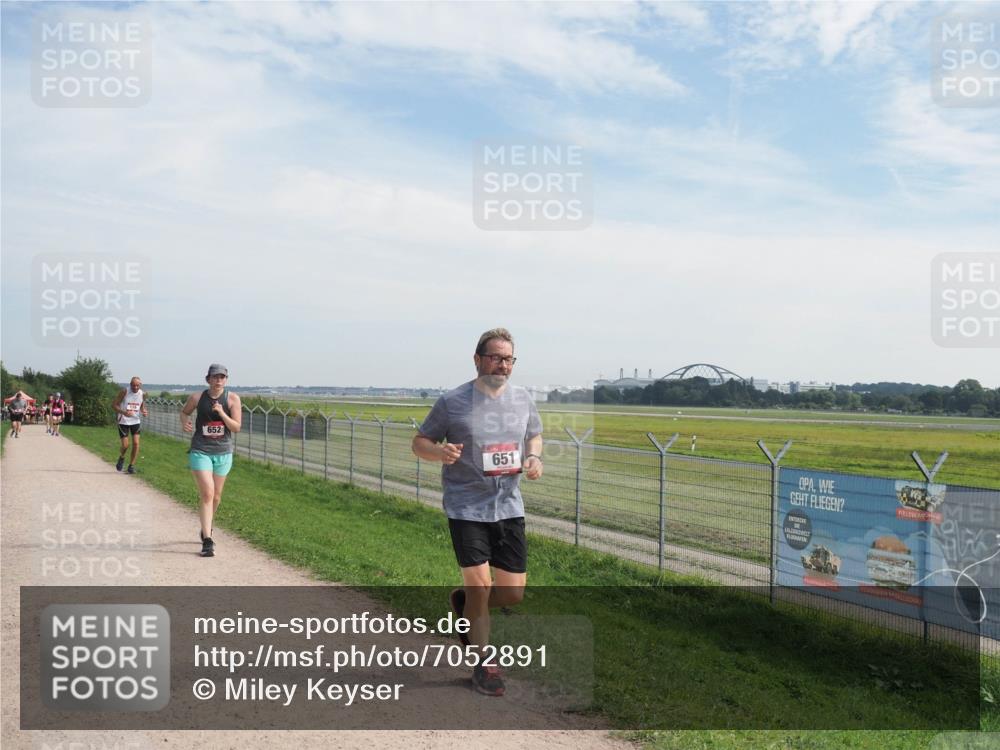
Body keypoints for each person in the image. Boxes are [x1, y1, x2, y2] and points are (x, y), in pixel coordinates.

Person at [411, 328, 543, 697]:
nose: (502, 365)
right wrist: (440, 453)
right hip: (466, 506)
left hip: (508, 505)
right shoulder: (452, 401)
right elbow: (420, 442)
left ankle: (463, 603)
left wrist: (533, 456)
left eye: (508, 359)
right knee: (481, 586)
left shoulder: (522, 400)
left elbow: (534, 435)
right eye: (495, 357)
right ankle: (485, 665)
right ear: (477, 359)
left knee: (513, 594)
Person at [180, 364, 242, 558]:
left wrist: (222, 413)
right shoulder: (197, 398)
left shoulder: (232, 399)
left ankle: (206, 527)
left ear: (226, 379)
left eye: (222, 377)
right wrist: (185, 422)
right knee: (207, 493)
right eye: (215, 377)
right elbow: (184, 412)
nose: (218, 380)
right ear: (208, 379)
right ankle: (207, 540)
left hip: (223, 452)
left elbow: (236, 427)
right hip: (200, 450)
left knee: (216, 496)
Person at [113, 377, 148, 474]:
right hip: (123, 421)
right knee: (125, 445)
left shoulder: (143, 394)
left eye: (137, 385)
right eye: (133, 385)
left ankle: (131, 466)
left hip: (135, 421)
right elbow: (114, 405)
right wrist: (123, 412)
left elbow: (141, 406)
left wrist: (144, 411)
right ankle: (122, 457)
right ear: (130, 384)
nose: (135, 387)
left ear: (140, 385)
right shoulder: (124, 392)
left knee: (136, 443)